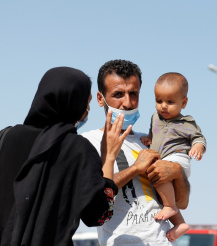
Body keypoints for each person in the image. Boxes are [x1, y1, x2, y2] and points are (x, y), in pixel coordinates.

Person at [0, 67, 131, 246]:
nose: (87, 110)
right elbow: (99, 216)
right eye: (87, 102)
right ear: (73, 103)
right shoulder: (78, 149)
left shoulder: (5, 137)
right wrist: (108, 158)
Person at [82, 60, 190, 246]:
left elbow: (181, 202)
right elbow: (93, 202)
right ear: (100, 99)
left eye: (133, 94)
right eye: (118, 94)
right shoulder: (87, 143)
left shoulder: (150, 141)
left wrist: (177, 173)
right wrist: (135, 169)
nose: (127, 103)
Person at [141, 72, 207, 242]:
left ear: (183, 102)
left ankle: (170, 207)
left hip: (178, 159)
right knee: (162, 192)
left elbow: (199, 138)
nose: (163, 106)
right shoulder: (155, 117)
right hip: (163, 160)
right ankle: (180, 224)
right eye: (159, 100)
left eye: (170, 102)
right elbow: (154, 133)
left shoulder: (187, 123)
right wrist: (148, 138)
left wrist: (198, 147)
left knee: (160, 176)